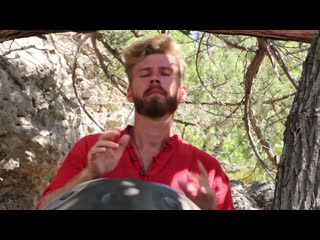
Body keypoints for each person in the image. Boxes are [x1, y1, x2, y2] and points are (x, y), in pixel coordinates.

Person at [36, 34, 234, 210]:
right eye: (145, 74)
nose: (155, 79)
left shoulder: (207, 169)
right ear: (129, 92)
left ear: (182, 92)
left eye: (165, 73)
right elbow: (44, 207)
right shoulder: (92, 149)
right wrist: (90, 174)